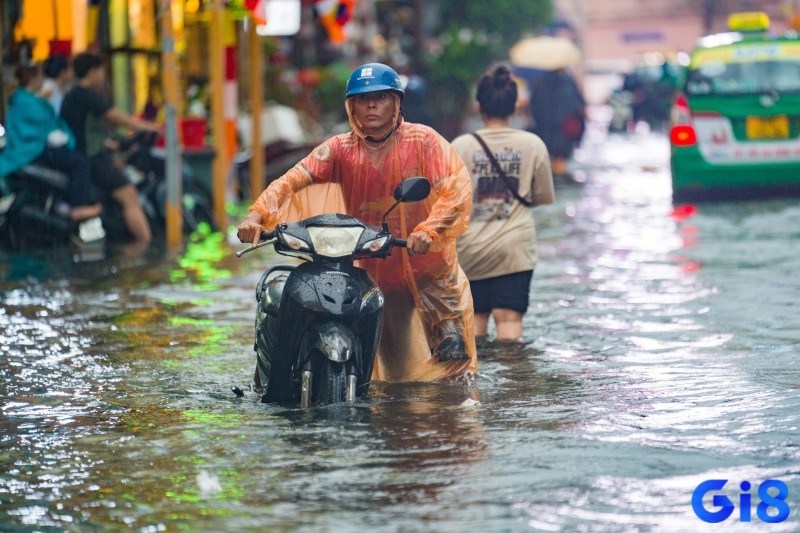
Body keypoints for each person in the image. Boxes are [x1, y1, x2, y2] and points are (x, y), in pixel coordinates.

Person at [236, 62, 477, 383]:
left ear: (397, 103)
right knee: (391, 378)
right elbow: (291, 181)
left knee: (454, 373)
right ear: (352, 107)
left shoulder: (425, 142)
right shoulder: (339, 149)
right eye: (363, 100)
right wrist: (255, 216)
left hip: (428, 271)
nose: (372, 105)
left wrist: (428, 230)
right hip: (373, 271)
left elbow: (456, 189)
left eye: (380, 97)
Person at [452, 64, 555, 341]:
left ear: (479, 106)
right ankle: (514, 382)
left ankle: (475, 384)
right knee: (509, 321)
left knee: (474, 324)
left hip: (471, 249)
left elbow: (449, 200)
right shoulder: (533, 144)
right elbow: (543, 196)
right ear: (514, 107)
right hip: (515, 250)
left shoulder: (460, 147)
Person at [60, 51, 160, 244]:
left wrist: (109, 143)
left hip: (88, 153)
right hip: (92, 157)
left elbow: (81, 128)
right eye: (101, 71)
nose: (103, 76)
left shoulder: (72, 95)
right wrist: (147, 126)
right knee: (129, 195)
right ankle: (142, 245)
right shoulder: (85, 95)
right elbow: (115, 116)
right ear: (92, 72)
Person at [0, 63, 102, 221]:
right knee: (80, 162)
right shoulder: (28, 101)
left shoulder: (24, 98)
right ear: (34, 78)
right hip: (33, 149)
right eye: (40, 76)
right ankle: (79, 206)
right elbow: (40, 126)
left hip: (32, 147)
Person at [528, 67, 586, 178]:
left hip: (544, 129)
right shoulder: (568, 82)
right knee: (560, 163)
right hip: (564, 130)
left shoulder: (539, 82)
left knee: (549, 161)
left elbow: (533, 106)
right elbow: (579, 106)